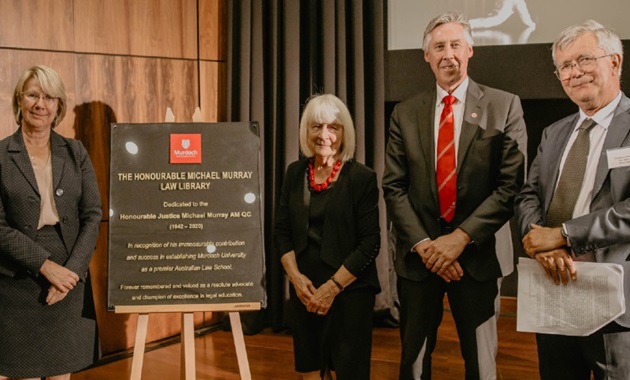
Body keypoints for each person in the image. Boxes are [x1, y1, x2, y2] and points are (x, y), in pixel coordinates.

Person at [383, 11, 527, 380]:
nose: (448, 54)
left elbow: (510, 186)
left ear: (470, 50)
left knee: (481, 366)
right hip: (420, 259)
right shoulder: (405, 113)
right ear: (427, 57)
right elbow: (394, 187)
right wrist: (428, 246)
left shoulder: (504, 105)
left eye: (455, 44)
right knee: (412, 365)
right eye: (438, 47)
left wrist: (459, 240)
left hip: (479, 258)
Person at [515, 20, 630, 379]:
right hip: (554, 287)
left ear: (614, 62)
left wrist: (564, 233)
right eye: (565, 66)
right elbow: (527, 194)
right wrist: (543, 244)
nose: (575, 72)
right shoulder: (555, 132)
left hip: (616, 297)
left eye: (584, 59)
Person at [0, 65, 102, 380]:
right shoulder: (2, 155)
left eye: (49, 97)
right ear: (20, 99)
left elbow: (93, 214)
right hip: (18, 281)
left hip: (69, 275)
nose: (40, 104)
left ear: (58, 105)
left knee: (62, 371)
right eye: (33, 95)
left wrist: (71, 272)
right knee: (25, 373)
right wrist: (45, 266)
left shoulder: (75, 152)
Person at [273, 94, 381, 380]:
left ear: (344, 133)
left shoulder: (361, 178)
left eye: (333, 127)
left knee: (348, 372)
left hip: (349, 292)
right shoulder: (294, 174)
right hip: (305, 292)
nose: (324, 135)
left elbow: (370, 242)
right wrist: (296, 279)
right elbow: (281, 232)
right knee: (310, 370)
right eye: (316, 127)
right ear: (306, 131)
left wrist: (332, 288)